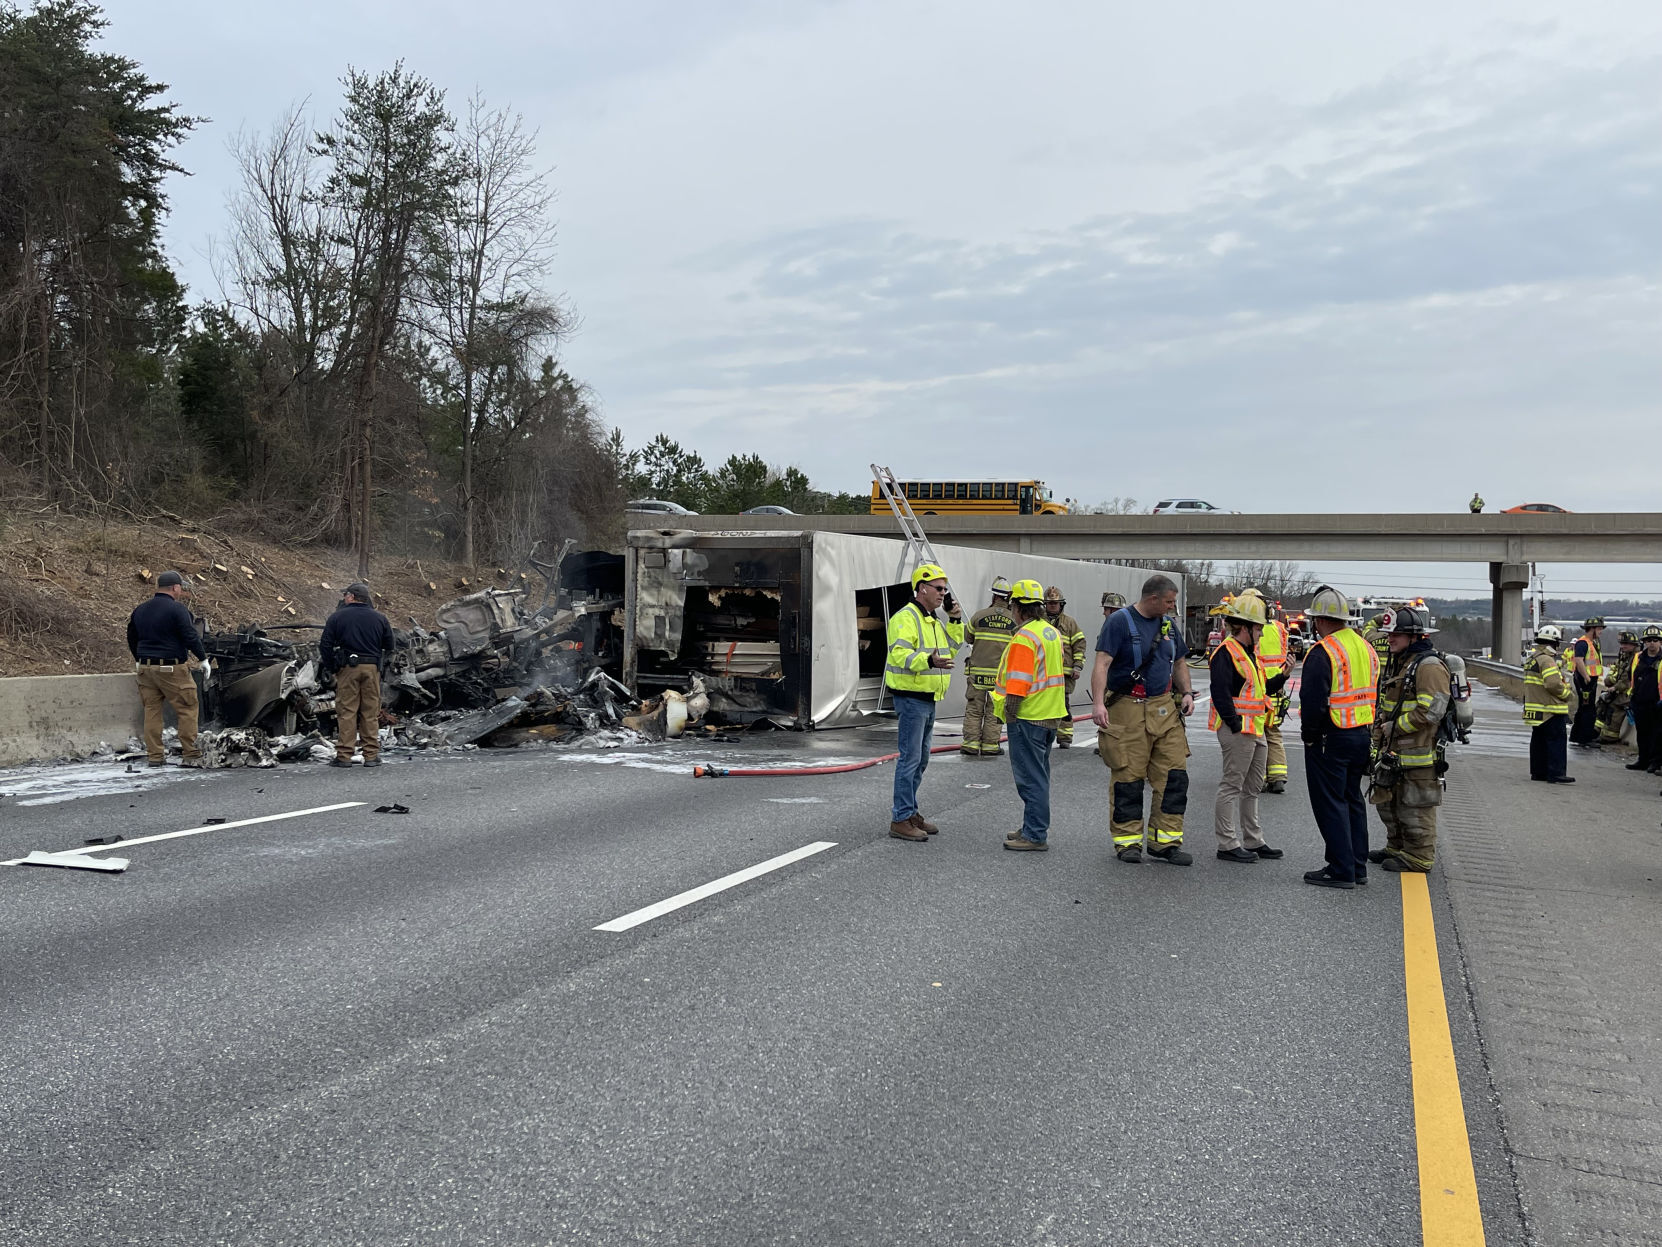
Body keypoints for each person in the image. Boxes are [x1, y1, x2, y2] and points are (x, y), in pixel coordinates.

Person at [1089, 573, 1195, 865]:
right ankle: (1128, 842)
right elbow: (1102, 664)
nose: (1173, 608)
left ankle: (1166, 842)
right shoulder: (1119, 622)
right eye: (1169, 602)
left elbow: (1181, 661)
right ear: (1153, 599)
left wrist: (1186, 692)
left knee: (1174, 776)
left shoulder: (1168, 626)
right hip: (1127, 708)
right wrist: (1098, 705)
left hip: (1164, 708)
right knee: (1128, 779)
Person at [1298, 586, 1380, 889]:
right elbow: (1376, 693)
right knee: (1352, 799)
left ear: (1319, 620)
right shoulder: (1365, 648)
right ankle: (1357, 866)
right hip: (1360, 732)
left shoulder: (1323, 651)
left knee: (1330, 802)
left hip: (1330, 736)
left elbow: (1313, 699)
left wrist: (1309, 736)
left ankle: (1340, 868)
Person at [884, 562, 965, 841]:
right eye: (939, 588)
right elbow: (899, 656)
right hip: (911, 699)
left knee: (920, 760)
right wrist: (928, 660)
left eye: (945, 589)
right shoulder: (905, 618)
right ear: (922, 588)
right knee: (910, 759)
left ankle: (909, 811)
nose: (944, 593)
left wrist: (954, 620)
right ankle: (900, 818)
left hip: (927, 699)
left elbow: (951, 649)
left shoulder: (932, 620)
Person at [1367, 606, 1451, 871]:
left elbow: (1433, 711)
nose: (1390, 639)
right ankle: (1397, 847)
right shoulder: (1402, 661)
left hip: (1419, 752)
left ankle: (1418, 857)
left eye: (1397, 634)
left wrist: (1396, 726)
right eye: (1390, 633)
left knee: (1415, 807)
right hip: (1395, 751)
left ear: (1415, 637)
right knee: (1391, 803)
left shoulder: (1429, 667)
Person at [1207, 595, 1281, 864]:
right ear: (1244, 627)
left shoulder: (1249, 654)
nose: (1262, 632)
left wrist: (1283, 676)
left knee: (1253, 788)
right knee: (1231, 786)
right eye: (1259, 628)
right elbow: (1220, 692)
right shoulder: (1227, 653)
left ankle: (1253, 840)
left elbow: (1261, 690)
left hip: (1255, 729)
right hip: (1238, 730)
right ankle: (1227, 843)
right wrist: (1235, 724)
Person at [997, 580, 1069, 851]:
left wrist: (1010, 715)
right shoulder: (1050, 632)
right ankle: (1031, 825)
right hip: (1050, 714)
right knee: (1039, 774)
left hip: (1029, 715)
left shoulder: (1024, 637)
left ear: (1018, 607)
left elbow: (1018, 682)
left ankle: (1036, 833)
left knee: (1030, 777)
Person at [126, 570, 207, 768]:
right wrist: (203, 658)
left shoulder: (141, 609)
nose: (181, 591)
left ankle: (155, 756)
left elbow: (131, 636)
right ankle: (191, 754)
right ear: (175, 588)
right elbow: (190, 635)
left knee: (152, 711)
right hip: (171, 668)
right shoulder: (177, 609)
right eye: (180, 588)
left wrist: (139, 659)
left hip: (146, 669)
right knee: (187, 708)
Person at [320, 581, 395, 769]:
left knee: (347, 711)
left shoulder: (337, 617)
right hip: (371, 669)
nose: (344, 598)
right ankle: (371, 756)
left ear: (352, 597)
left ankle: (344, 756)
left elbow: (325, 645)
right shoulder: (380, 618)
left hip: (347, 669)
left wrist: (332, 667)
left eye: (346, 595)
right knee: (370, 712)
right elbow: (390, 646)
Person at [961, 577, 1016, 758]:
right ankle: (990, 746)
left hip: (977, 673)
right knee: (994, 711)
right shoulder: (1014, 620)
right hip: (999, 676)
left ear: (994, 596)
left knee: (974, 709)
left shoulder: (979, 616)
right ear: (1008, 597)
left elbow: (968, 637)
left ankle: (970, 744)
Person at [1247, 592, 1292, 793]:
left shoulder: (1250, 628)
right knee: (1273, 733)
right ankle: (1278, 776)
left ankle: (1260, 776)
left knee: (1257, 733)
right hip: (1277, 687)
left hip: (1258, 686)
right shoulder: (1280, 628)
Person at [1522, 624, 1574, 783]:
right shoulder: (1547, 660)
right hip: (1550, 709)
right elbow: (1552, 684)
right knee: (1556, 741)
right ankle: (1556, 773)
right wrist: (1567, 695)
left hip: (1535, 709)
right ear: (1553, 643)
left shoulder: (1533, 659)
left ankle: (1538, 772)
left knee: (1538, 741)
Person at [1042, 586, 1087, 748]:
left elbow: (1080, 645)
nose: (1053, 606)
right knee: (1043, 705)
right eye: (1050, 603)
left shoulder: (1069, 623)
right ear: (1044, 604)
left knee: (1063, 705)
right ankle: (1045, 735)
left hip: (1064, 673)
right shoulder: (1039, 622)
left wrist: (1077, 666)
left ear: (1061, 605)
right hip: (1043, 673)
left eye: (1056, 604)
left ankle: (1065, 737)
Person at [1626, 625, 1662, 774]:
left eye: (1655, 640)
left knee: (1657, 734)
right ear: (1644, 642)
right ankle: (1643, 760)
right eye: (1649, 640)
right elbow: (1631, 676)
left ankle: (1655, 762)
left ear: (1660, 642)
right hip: (1640, 700)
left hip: (1658, 702)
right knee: (1642, 732)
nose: (1652, 643)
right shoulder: (1637, 657)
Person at [1596, 630, 1641, 745]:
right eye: (1622, 643)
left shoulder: (1636, 658)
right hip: (1620, 689)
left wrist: (1615, 688)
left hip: (1628, 693)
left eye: (1626, 644)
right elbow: (1616, 670)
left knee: (1614, 706)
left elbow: (1628, 679)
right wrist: (1610, 682)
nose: (1623, 646)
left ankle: (1609, 737)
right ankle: (1597, 731)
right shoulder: (1624, 656)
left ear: (1634, 645)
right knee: (1603, 701)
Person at [1568, 616, 1606, 746]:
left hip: (1590, 679)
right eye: (1599, 629)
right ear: (1592, 629)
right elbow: (1579, 660)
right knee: (1588, 709)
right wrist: (1586, 677)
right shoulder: (1583, 643)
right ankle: (1585, 738)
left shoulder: (1593, 643)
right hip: (1585, 680)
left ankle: (1577, 736)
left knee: (1585, 708)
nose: (1601, 631)